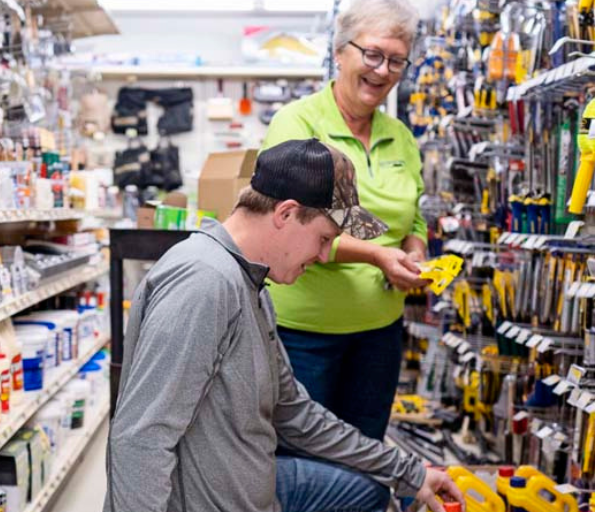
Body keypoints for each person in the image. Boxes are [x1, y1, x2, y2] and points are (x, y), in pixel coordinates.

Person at [105, 139, 462, 512]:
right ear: (286, 213)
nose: (325, 255)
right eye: (324, 239)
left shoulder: (252, 282)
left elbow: (293, 411)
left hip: (256, 487)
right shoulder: (204, 282)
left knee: (370, 491)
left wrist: (409, 472)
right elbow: (140, 438)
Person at [261, 0, 429, 441]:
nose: (382, 70)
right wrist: (376, 255)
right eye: (372, 54)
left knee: (366, 453)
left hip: (379, 333)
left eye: (396, 60)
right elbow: (288, 228)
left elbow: (416, 216)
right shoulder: (298, 123)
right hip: (304, 333)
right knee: (301, 460)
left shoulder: (402, 138)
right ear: (339, 52)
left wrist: (415, 251)